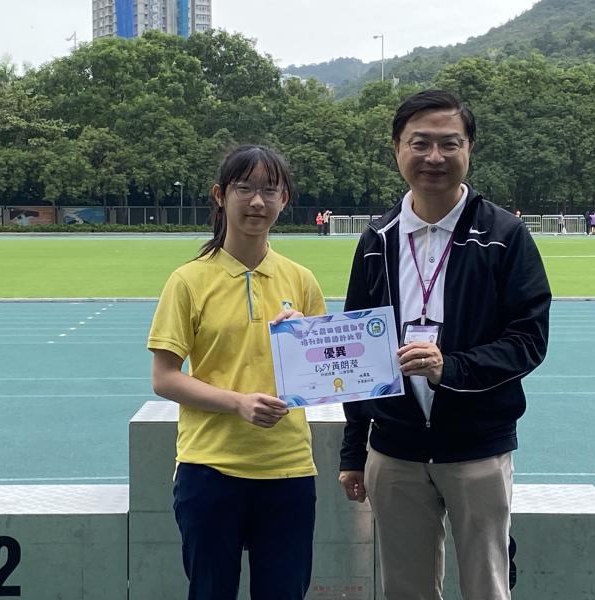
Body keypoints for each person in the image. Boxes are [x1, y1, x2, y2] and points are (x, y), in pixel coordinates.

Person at [338, 90, 551, 600]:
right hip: (394, 451)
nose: (434, 157)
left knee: (487, 586)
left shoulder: (504, 235)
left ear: (469, 148)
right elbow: (354, 346)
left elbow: (529, 339)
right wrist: (354, 448)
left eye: (448, 143)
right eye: (420, 143)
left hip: (478, 448)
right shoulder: (377, 239)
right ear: (396, 149)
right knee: (405, 589)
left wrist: (449, 368)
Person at [148, 144, 326, 600]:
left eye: (271, 190)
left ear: (285, 199)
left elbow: (324, 376)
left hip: (287, 470)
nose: (257, 202)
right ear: (219, 195)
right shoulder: (188, 280)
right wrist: (238, 404)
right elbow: (164, 377)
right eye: (244, 188)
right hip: (210, 469)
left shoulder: (301, 279)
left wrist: (307, 340)